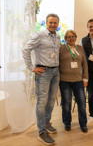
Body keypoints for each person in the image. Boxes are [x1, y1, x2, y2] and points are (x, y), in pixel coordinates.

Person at [22, 14, 61, 145]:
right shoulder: (39, 35)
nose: (53, 25)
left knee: (51, 101)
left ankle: (46, 122)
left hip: (56, 71)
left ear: (58, 24)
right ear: (46, 23)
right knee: (42, 101)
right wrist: (32, 67)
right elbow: (26, 49)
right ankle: (41, 132)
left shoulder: (58, 37)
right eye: (51, 22)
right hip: (43, 72)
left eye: (55, 23)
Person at [59, 30, 88, 133]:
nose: (71, 38)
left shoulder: (80, 48)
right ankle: (67, 123)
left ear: (75, 37)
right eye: (68, 37)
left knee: (82, 103)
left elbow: (85, 64)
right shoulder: (61, 48)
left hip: (78, 81)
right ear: (66, 38)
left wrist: (85, 78)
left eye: (72, 36)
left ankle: (83, 123)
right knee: (66, 103)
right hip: (64, 81)